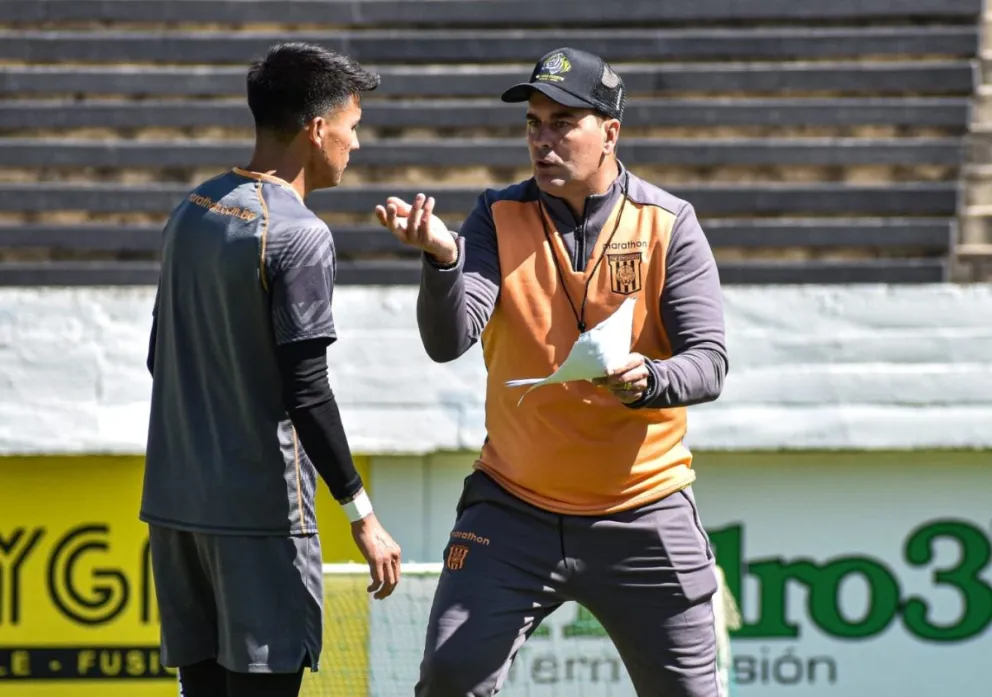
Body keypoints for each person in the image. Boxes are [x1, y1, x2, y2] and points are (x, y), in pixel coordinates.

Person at [376, 47, 729, 697]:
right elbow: (449, 338)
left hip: (643, 510)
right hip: (513, 507)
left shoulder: (668, 223)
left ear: (610, 133)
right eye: (534, 123)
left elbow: (709, 361)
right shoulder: (495, 215)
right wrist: (442, 259)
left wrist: (650, 379)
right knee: (450, 677)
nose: (543, 139)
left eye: (563, 122)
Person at [141, 42, 402, 697]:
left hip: (175, 512)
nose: (356, 143)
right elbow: (308, 392)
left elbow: (157, 357)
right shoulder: (298, 233)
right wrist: (363, 515)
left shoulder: (191, 210)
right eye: (353, 125)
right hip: (259, 521)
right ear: (317, 130)